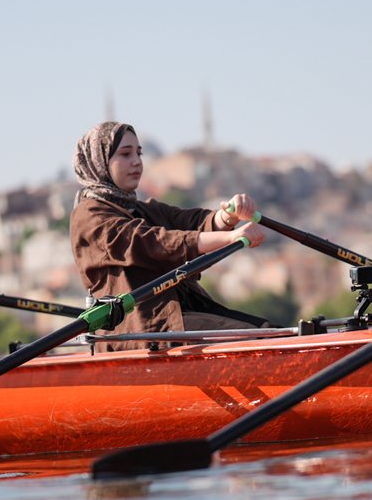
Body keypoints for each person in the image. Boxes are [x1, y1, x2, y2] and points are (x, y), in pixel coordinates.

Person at [70, 121, 271, 351]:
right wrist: (230, 238)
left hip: (181, 315)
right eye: (125, 154)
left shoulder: (142, 209)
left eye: (139, 153)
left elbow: (190, 222)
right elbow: (151, 242)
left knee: (272, 331)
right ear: (99, 163)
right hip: (141, 329)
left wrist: (227, 216)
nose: (136, 161)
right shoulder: (89, 215)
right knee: (258, 341)